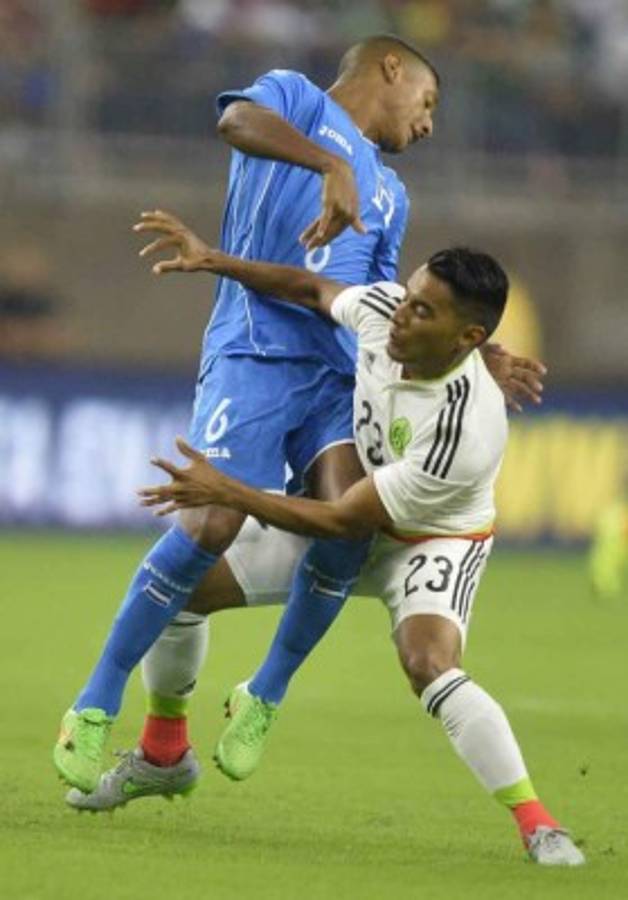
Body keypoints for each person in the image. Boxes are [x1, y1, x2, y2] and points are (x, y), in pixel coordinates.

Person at [53, 33, 441, 793]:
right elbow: (234, 122)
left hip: (335, 379)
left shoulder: (393, 194)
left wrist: (466, 356)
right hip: (253, 353)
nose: (427, 124)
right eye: (427, 102)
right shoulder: (295, 99)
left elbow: (382, 303)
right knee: (210, 525)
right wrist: (328, 164)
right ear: (390, 68)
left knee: (350, 522)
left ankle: (264, 693)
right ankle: (96, 699)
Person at [64, 212, 545, 817]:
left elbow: (342, 519)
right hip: (356, 517)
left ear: (467, 337)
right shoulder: (384, 312)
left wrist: (229, 491)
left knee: (428, 663)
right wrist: (216, 261)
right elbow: (311, 288)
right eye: (409, 295)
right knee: (180, 593)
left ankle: (537, 823)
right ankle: (164, 756)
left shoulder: (467, 428)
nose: (400, 311)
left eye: (422, 310)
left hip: (428, 542)